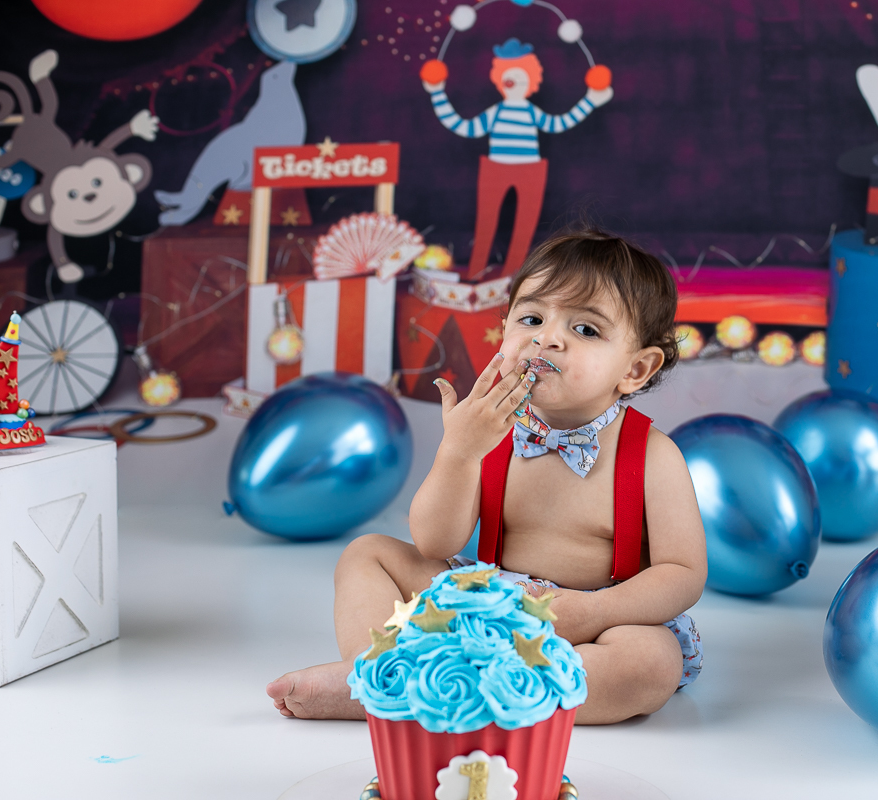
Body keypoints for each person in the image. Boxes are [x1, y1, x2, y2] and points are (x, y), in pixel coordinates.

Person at [267, 229, 706, 724]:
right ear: (505, 330)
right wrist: (458, 454)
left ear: (636, 369)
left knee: (649, 663)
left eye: (585, 329)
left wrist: (598, 612)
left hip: (590, 621)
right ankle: (376, 674)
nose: (547, 338)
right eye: (532, 318)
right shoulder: (488, 432)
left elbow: (682, 574)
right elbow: (435, 543)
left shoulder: (653, 455)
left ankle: (480, 688)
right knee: (368, 553)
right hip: (486, 599)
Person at [421, 39, 614, 278]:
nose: (513, 83)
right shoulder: (497, 112)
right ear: (499, 80)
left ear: (530, 81)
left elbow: (559, 123)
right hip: (496, 170)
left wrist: (590, 101)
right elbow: (463, 126)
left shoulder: (531, 112)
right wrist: (437, 93)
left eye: (519, 78)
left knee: (525, 227)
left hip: (530, 171)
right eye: (509, 78)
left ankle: (512, 277)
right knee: (486, 223)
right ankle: (475, 273)